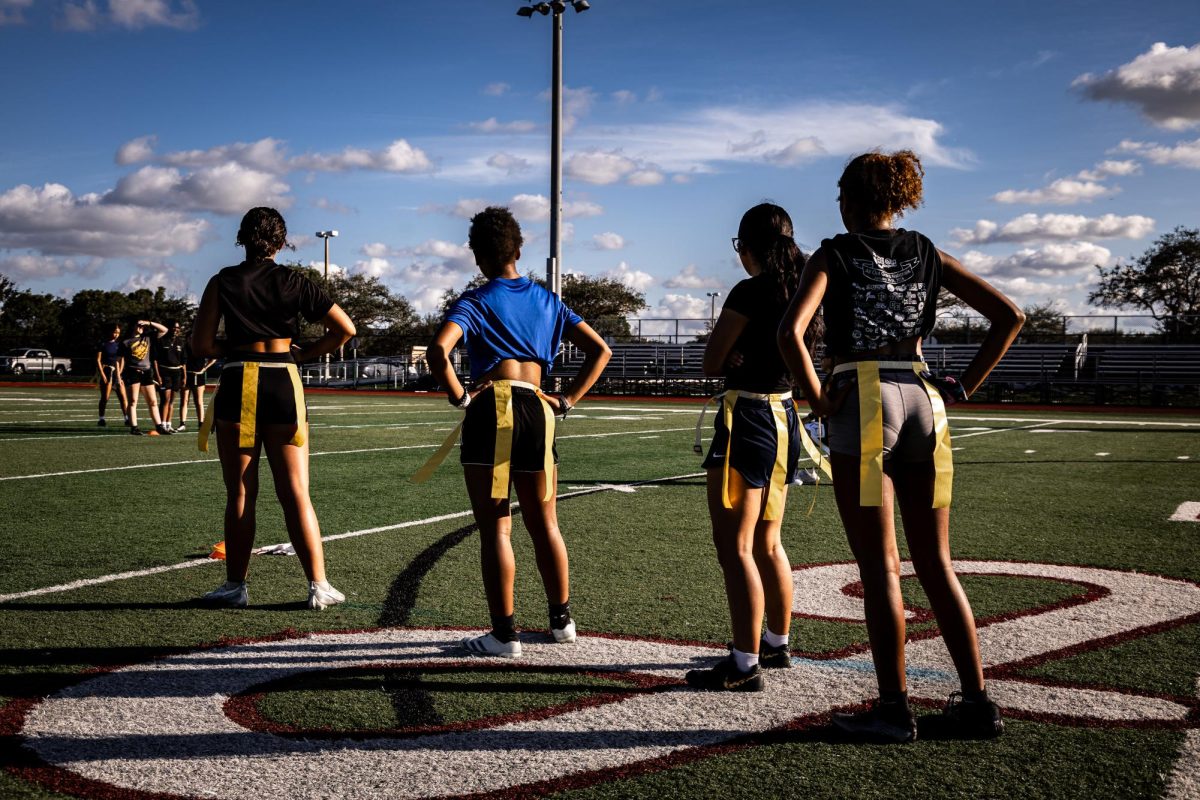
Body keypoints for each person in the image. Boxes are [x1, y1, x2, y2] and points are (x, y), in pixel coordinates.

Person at [778, 150, 1024, 742]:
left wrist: (815, 395)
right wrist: (964, 384)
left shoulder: (832, 253)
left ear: (851, 198)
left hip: (862, 397)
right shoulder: (928, 252)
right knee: (936, 562)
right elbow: (1009, 315)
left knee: (881, 567)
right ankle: (977, 701)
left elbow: (790, 332)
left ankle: (893, 708)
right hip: (923, 398)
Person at [420, 206, 611, 658]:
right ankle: (561, 621)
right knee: (546, 525)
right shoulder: (548, 300)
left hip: (493, 411)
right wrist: (566, 401)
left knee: (496, 530)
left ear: (477, 256)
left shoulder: (475, 300)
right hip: (538, 410)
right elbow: (600, 350)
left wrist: (459, 396)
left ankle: (504, 635)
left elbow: (437, 350)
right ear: (519, 250)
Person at [191, 207, 355, 610]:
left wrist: (237, 348)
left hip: (238, 381)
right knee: (296, 491)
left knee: (241, 492)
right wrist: (306, 353)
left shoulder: (223, 280)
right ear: (282, 242)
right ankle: (318, 585)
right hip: (283, 380)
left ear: (242, 239)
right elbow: (346, 329)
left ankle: (235, 586)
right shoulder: (294, 281)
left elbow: (201, 346)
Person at [685, 203, 804, 692]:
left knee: (735, 547)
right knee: (769, 542)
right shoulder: (803, 286)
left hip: (748, 418)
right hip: (786, 416)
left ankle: (744, 660)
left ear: (749, 246)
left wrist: (734, 352)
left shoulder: (750, 291)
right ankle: (776, 642)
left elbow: (713, 359)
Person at [119, 318, 171, 436]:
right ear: (132, 326)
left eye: (142, 326)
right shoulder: (126, 341)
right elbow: (120, 359)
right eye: (138, 325)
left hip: (147, 372)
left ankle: (159, 426)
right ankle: (134, 427)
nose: (141, 328)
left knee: (152, 401)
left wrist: (149, 323)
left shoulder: (148, 337)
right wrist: (118, 375)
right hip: (132, 372)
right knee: (133, 401)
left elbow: (165, 330)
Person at [153, 320, 186, 432]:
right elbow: (155, 360)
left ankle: (168, 424)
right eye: (173, 327)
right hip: (165, 372)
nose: (176, 329)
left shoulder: (180, 342)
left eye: (177, 328)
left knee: (172, 400)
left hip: (177, 373)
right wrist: (157, 375)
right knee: (165, 399)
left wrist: (184, 376)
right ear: (169, 328)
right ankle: (162, 424)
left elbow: (183, 362)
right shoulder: (161, 341)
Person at [95, 322, 129, 427]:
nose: (116, 334)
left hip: (117, 373)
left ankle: (127, 419)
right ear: (110, 331)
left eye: (118, 332)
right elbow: (98, 360)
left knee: (123, 396)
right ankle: (101, 419)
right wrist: (103, 375)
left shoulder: (120, 345)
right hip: (107, 371)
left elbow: (122, 360)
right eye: (114, 332)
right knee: (105, 397)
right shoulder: (103, 344)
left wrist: (120, 374)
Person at [181, 334, 216, 432]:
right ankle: (182, 423)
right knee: (184, 400)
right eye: (190, 337)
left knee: (199, 401)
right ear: (187, 339)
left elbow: (213, 358)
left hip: (198, 376)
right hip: (186, 376)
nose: (191, 339)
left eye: (193, 337)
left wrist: (204, 369)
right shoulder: (184, 348)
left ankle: (201, 423)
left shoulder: (200, 348)